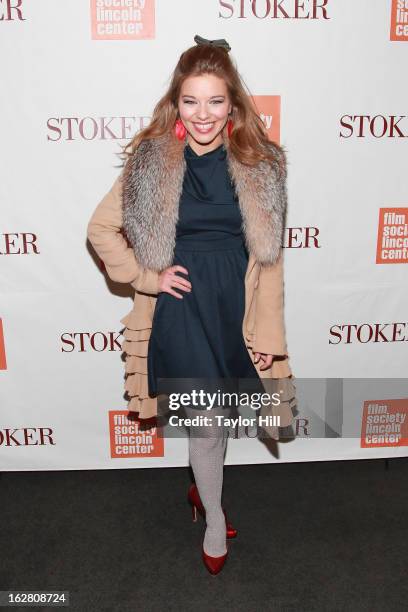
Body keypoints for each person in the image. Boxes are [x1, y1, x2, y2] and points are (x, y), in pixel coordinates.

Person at [87, 34, 295, 575]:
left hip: (236, 310)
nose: (203, 114)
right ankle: (213, 515)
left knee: (219, 419)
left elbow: (269, 264)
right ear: (175, 102)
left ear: (234, 104)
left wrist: (270, 343)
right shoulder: (152, 161)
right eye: (191, 100)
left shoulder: (261, 163)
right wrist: (147, 278)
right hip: (180, 312)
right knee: (205, 423)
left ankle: (202, 489)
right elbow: (101, 229)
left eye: (215, 101)